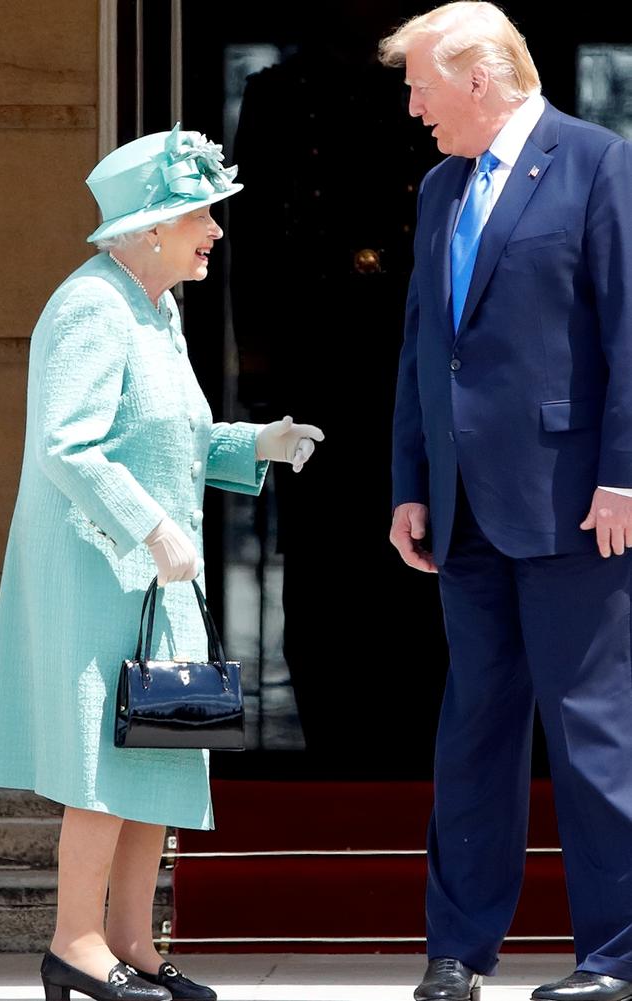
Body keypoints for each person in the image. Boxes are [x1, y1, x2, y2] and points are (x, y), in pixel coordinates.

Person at [0, 124, 323, 1001]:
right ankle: (75, 943)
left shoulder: (154, 307)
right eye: (201, 214)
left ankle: (132, 937)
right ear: (149, 227)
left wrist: (257, 443)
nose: (214, 231)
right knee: (102, 763)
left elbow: (167, 439)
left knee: (155, 748)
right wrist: (149, 527)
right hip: (99, 571)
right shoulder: (93, 302)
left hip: (149, 573)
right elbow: (69, 445)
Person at [381, 5, 632, 1001]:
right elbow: (421, 344)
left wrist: (622, 472)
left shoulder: (596, 161)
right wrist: (408, 479)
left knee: (590, 727)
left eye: (420, 88)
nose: (412, 108)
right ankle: (456, 949)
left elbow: (626, 329)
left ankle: (614, 954)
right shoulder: (442, 184)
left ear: (477, 78)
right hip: (462, 506)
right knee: (473, 726)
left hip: (576, 501)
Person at [230, 0, 446, 769]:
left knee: (419, 549)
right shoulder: (278, 96)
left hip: (408, 354)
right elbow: (250, 242)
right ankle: (335, 738)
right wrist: (257, 364)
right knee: (322, 554)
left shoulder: (422, 91)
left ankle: (412, 735)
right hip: (313, 358)